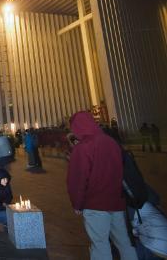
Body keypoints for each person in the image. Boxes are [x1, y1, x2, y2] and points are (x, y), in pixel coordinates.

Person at [67, 111, 138, 260]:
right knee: (124, 243)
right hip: (116, 203)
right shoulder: (111, 142)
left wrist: (77, 204)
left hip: (95, 205)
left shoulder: (82, 148)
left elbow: (78, 180)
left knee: (100, 245)